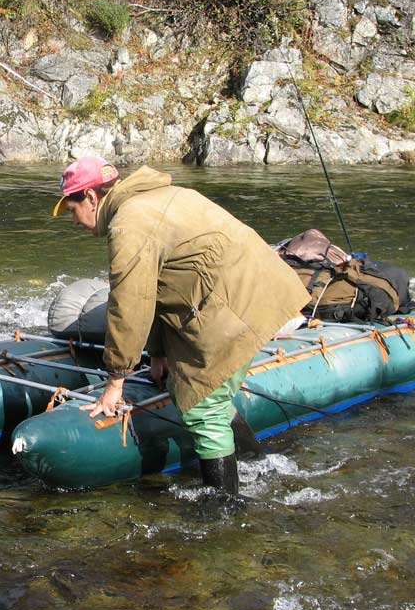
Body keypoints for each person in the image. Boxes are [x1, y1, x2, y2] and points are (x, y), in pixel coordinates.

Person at [52, 156, 310, 495]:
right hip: (255, 288)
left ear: (91, 197)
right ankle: (255, 465)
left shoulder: (129, 224)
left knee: (203, 408)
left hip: (236, 302)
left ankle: (223, 508)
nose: (75, 222)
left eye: (72, 210)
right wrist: (158, 355)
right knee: (198, 392)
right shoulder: (160, 196)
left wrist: (115, 381)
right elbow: (157, 290)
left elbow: (130, 306)